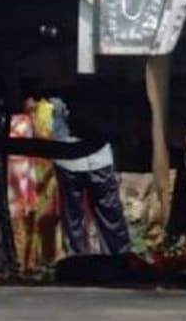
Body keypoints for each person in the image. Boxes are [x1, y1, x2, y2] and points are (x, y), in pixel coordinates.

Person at [47, 97, 133, 257]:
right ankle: (85, 261)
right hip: (73, 151)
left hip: (89, 154)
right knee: (81, 214)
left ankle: (118, 259)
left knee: (102, 211)